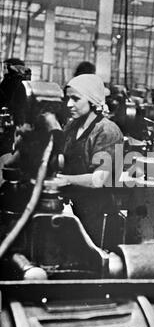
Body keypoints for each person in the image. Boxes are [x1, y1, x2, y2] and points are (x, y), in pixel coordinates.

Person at [55, 73, 124, 246]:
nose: (69, 104)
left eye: (76, 99)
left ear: (92, 101)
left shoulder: (107, 131)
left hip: (97, 215)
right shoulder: (72, 126)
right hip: (72, 209)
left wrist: (64, 180)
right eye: (68, 98)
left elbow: (98, 180)